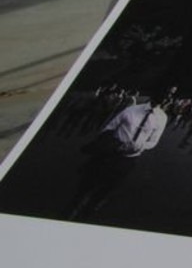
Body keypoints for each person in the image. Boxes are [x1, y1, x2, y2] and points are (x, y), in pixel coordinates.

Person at [67, 92, 169, 220]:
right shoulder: (131, 110)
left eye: (169, 97)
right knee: (88, 182)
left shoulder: (162, 118)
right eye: (165, 94)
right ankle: (73, 207)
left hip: (129, 159)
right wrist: (115, 144)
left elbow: (153, 142)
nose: (165, 98)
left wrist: (139, 146)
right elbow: (109, 127)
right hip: (110, 153)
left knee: (108, 187)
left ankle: (88, 211)